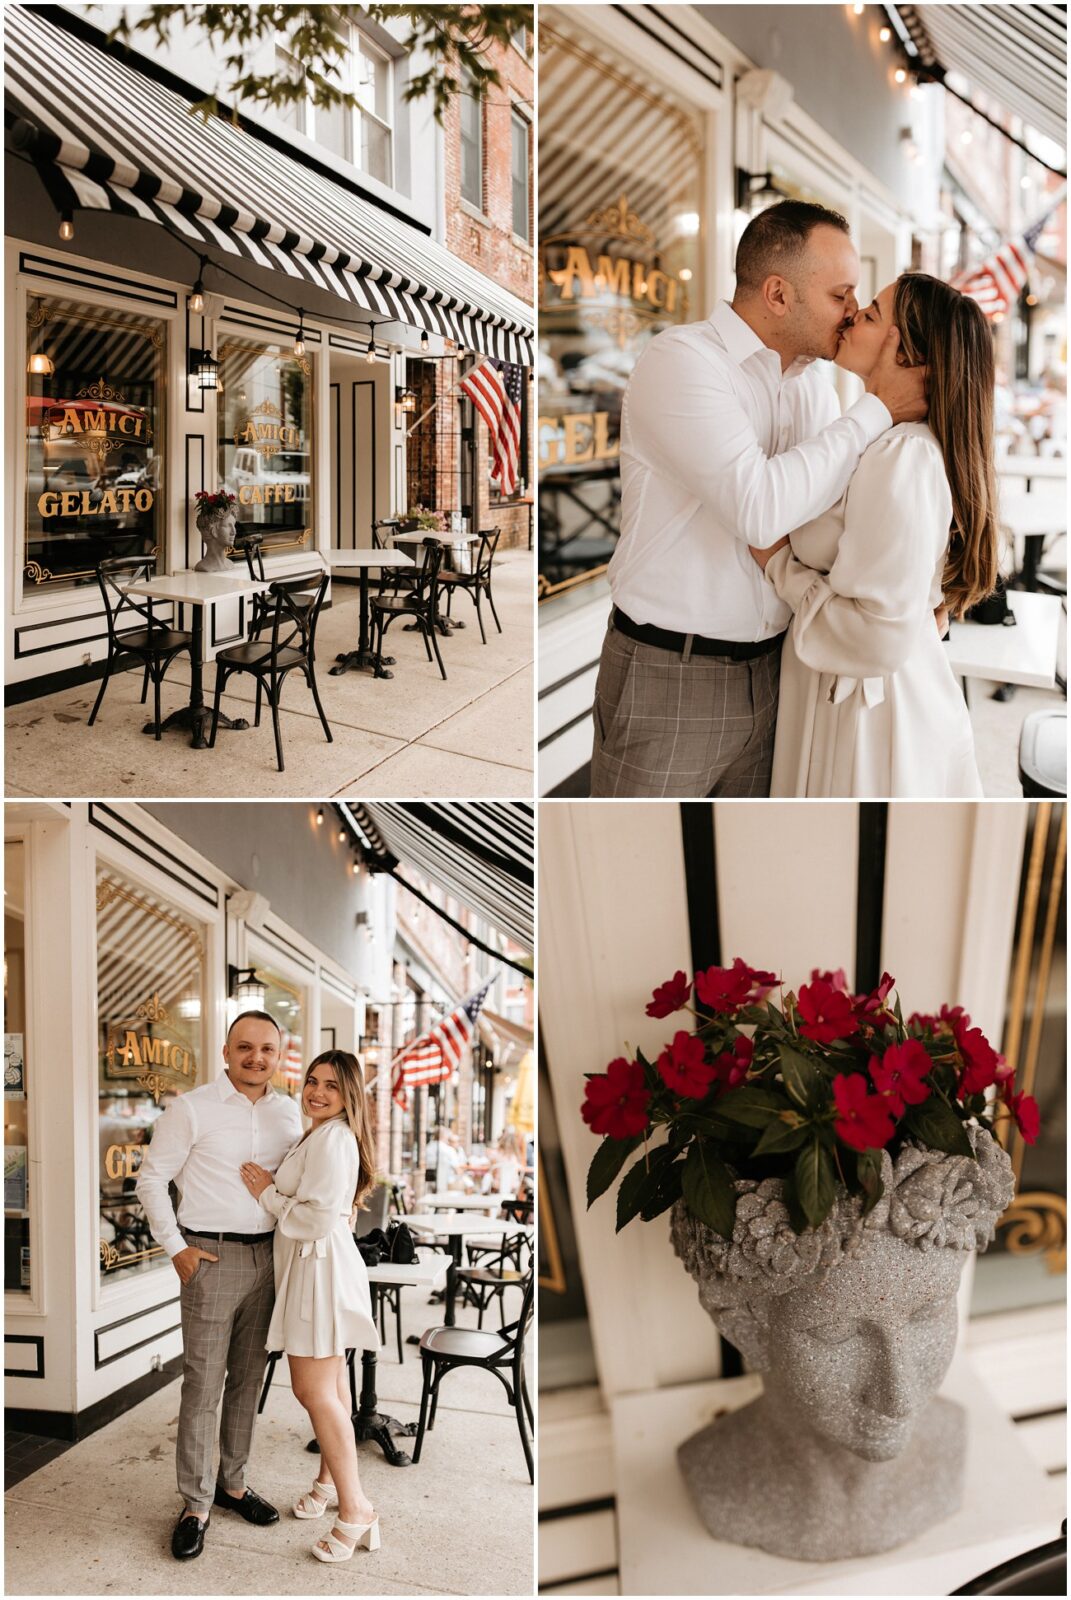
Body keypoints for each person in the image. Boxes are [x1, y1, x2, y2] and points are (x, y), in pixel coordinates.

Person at [590, 199, 928, 798]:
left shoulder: (815, 393)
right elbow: (761, 510)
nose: (852, 313)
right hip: (672, 674)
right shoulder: (683, 361)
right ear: (777, 294)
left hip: (780, 673)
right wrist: (877, 408)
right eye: (840, 295)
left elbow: (839, 524)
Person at [754, 273, 994, 796]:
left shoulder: (903, 454)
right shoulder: (882, 439)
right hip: (854, 691)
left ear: (908, 353)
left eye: (872, 315)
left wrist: (779, 566)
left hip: (873, 715)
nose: (852, 314)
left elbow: (875, 634)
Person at [135, 1010, 303, 1561]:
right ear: (225, 1051)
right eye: (246, 1047)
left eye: (268, 1050)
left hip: (269, 1260)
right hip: (210, 1257)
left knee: (248, 1383)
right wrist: (176, 1248)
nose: (257, 1058)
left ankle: (232, 1485)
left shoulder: (290, 1114)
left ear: (280, 1055)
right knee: (203, 1386)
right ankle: (195, 1504)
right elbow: (152, 1178)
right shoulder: (192, 1108)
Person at [239, 1049, 380, 1563]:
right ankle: (327, 1485)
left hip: (318, 1269)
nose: (317, 1092)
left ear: (349, 1097)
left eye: (332, 1086)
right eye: (313, 1081)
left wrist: (268, 1194)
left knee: (313, 1390)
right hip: (317, 1267)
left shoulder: (335, 1138)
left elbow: (318, 1216)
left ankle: (357, 1509)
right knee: (334, 1385)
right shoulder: (322, 1134)